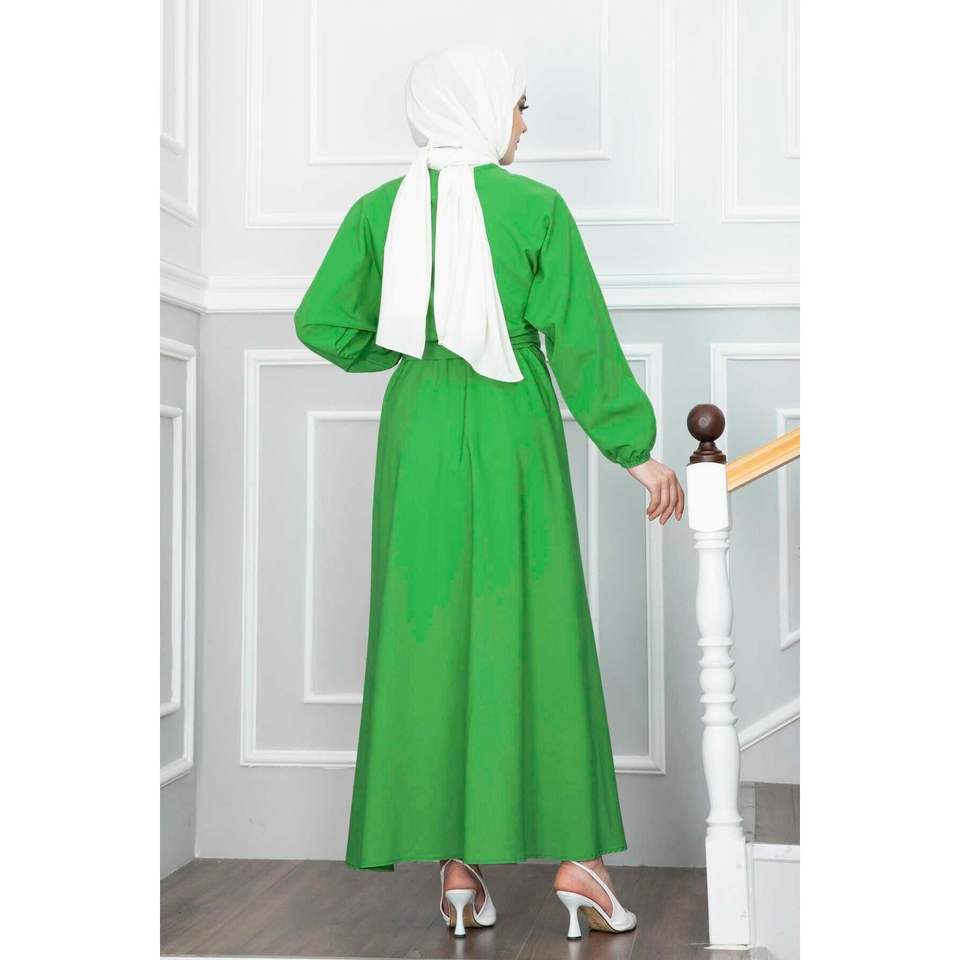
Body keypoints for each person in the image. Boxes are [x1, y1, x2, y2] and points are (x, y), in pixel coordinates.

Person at [293, 42, 684, 939]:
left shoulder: (381, 210)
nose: (522, 124)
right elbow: (579, 342)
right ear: (477, 108)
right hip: (514, 425)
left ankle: (459, 871)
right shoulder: (535, 209)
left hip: (420, 427)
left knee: (428, 633)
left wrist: (408, 344)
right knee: (538, 625)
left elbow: (321, 320)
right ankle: (581, 864)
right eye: (516, 105)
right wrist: (636, 452)